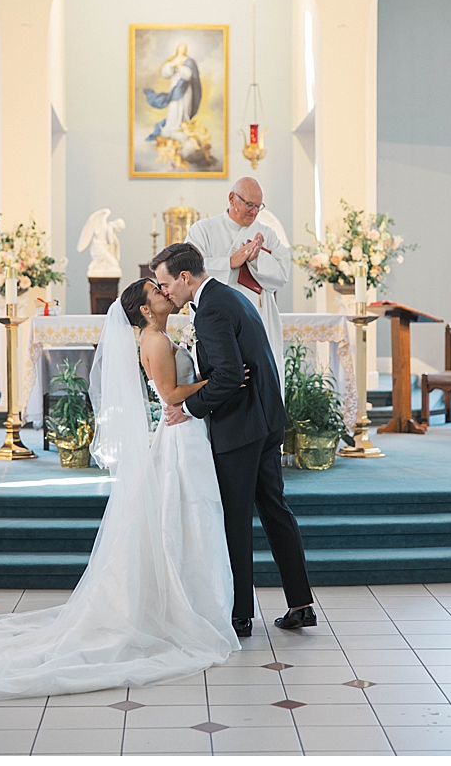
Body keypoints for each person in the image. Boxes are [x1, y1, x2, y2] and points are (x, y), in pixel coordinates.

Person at [0, 282, 239, 703]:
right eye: (155, 291)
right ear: (145, 310)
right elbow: (170, 395)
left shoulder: (159, 336)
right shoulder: (155, 340)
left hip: (185, 435)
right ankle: (185, 605)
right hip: (180, 435)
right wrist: (216, 383)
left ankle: (194, 598)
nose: (165, 292)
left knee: (186, 516)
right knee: (184, 515)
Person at [150, 242, 316, 636]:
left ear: (185, 277)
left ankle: (240, 614)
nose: (165, 291)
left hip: (240, 429)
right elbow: (243, 367)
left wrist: (186, 409)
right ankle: (301, 604)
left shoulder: (211, 310)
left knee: (236, 519)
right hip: (266, 419)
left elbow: (227, 376)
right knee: (276, 509)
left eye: (165, 282)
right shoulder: (232, 298)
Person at [185, 176, 290, 389]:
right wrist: (230, 262)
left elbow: (282, 275)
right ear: (232, 198)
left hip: (258, 315)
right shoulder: (203, 230)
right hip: (217, 317)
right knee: (223, 377)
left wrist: (257, 259)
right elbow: (188, 269)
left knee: (260, 381)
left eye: (258, 206)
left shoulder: (266, 233)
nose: (253, 211)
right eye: (248, 204)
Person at [144, 42, 202, 141]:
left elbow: (189, 75)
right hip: (176, 88)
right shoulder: (173, 60)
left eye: (184, 48)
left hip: (186, 90)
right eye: (181, 47)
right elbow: (165, 73)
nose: (182, 49)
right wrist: (173, 64)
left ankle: (183, 127)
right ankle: (171, 128)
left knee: (185, 108)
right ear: (177, 49)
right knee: (174, 107)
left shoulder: (189, 61)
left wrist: (179, 67)